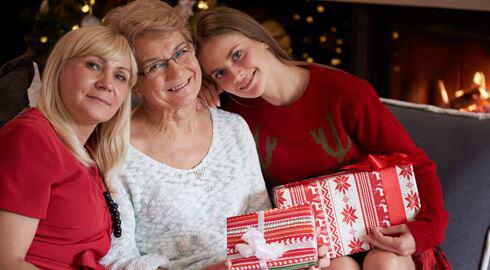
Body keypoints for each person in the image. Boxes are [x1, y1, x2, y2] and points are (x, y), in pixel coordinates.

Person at [193, 6, 450, 270]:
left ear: (261, 39)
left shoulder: (346, 93)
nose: (235, 75)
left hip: (381, 232)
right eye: (220, 73)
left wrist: (425, 231)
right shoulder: (231, 114)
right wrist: (196, 92)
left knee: (383, 262)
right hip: (315, 247)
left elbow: (415, 164)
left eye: (237, 55)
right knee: (336, 268)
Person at [100, 0, 271, 269]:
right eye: (155, 65)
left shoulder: (233, 127)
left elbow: (263, 224)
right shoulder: (117, 152)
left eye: (181, 52)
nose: (177, 71)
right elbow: (119, 261)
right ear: (134, 83)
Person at [0, 25, 137, 269]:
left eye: (120, 76)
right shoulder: (31, 138)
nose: (107, 83)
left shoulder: (90, 151)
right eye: (94, 65)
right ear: (59, 68)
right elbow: (7, 262)